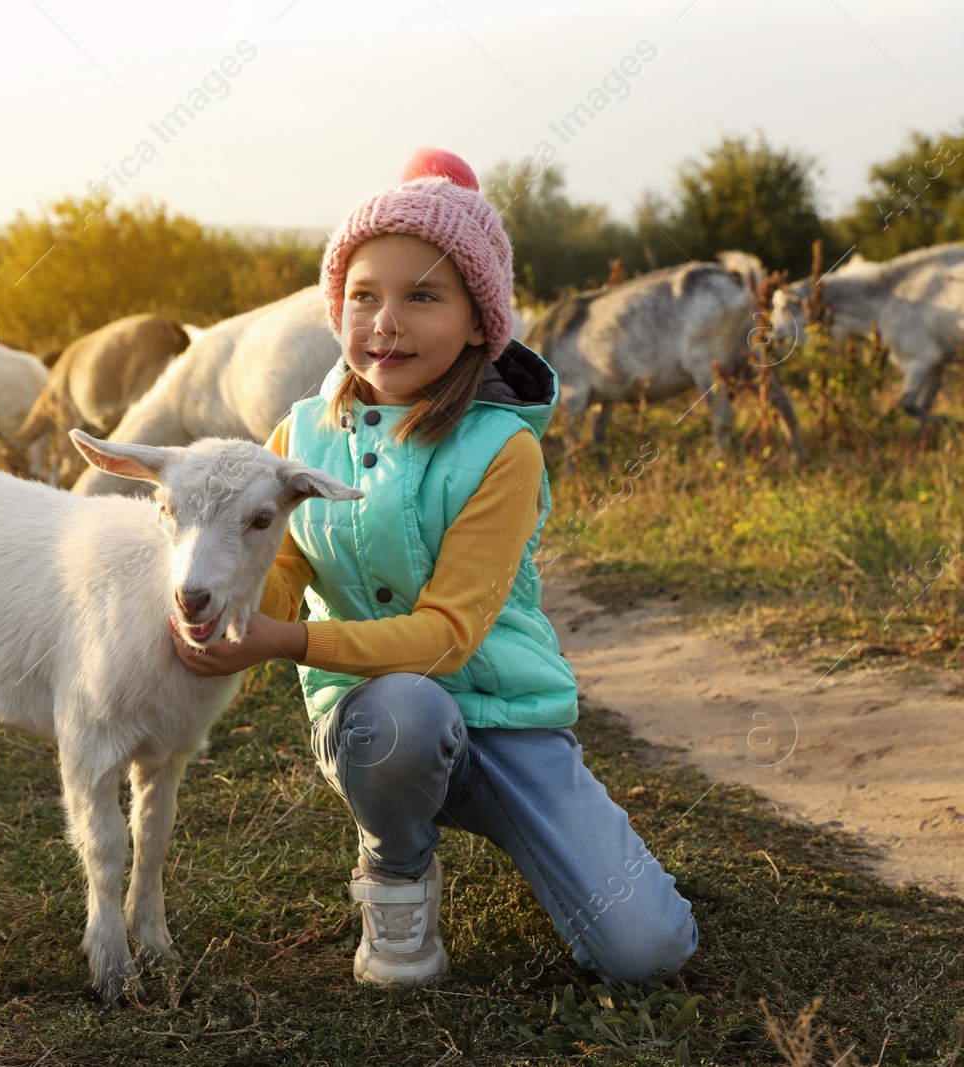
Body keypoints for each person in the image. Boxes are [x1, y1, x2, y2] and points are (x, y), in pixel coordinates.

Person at [165, 148, 698, 990]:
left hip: (509, 720)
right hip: (381, 727)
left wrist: (282, 639)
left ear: (482, 322)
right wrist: (225, 609)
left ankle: (571, 844)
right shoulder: (299, 436)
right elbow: (279, 563)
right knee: (405, 710)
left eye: (423, 296)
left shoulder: (503, 449)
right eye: (364, 296)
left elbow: (450, 635)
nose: (386, 322)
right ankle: (398, 868)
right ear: (336, 306)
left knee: (648, 952)